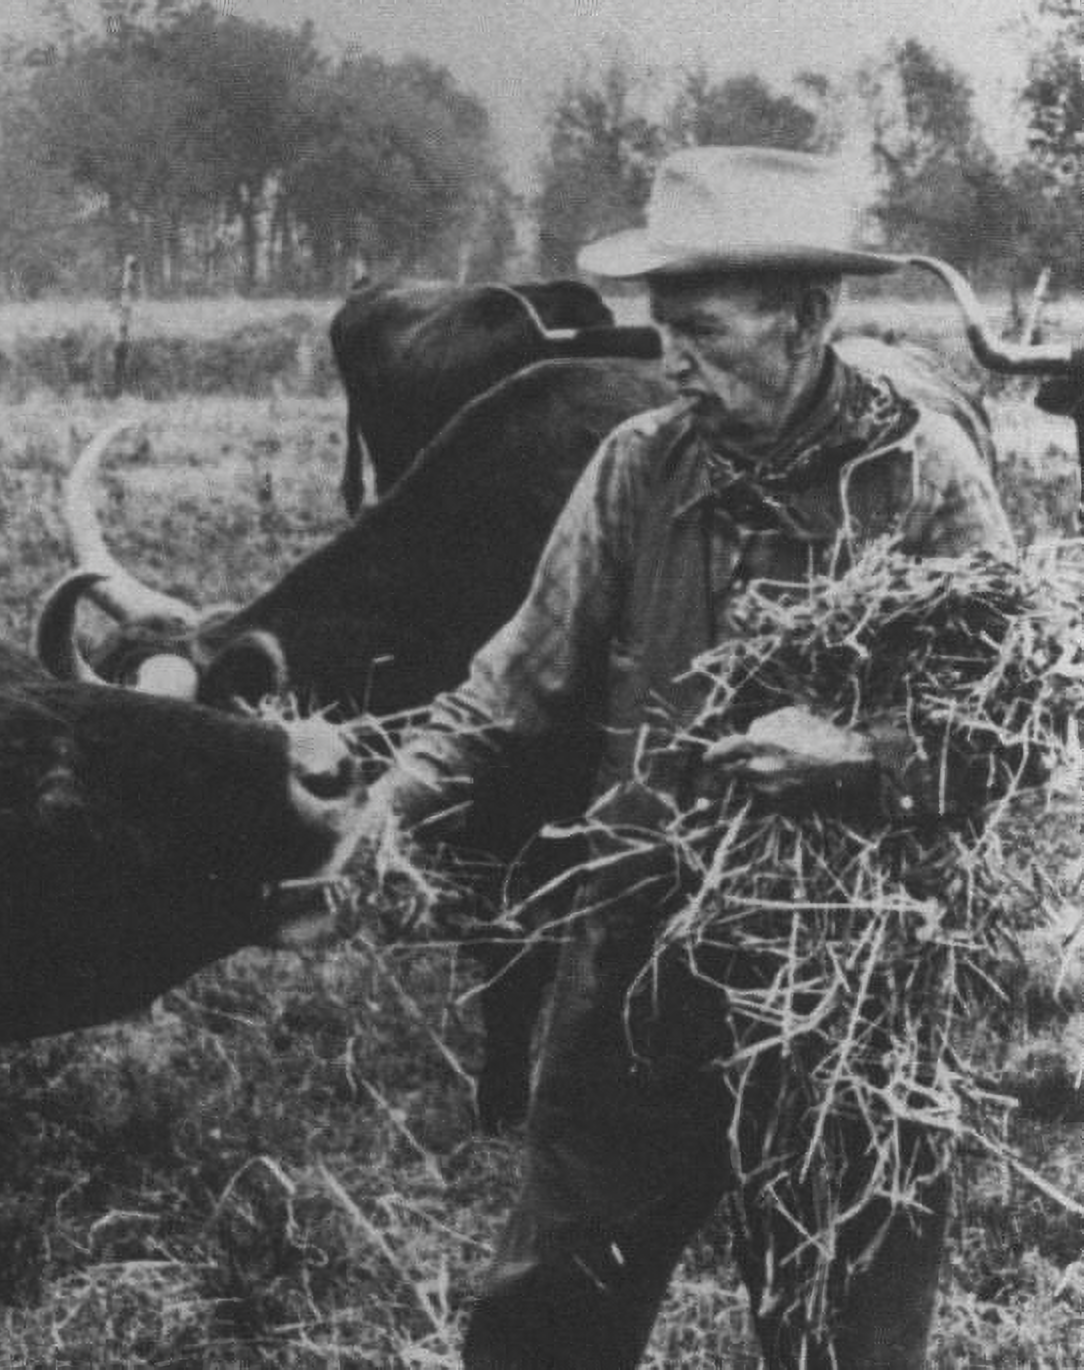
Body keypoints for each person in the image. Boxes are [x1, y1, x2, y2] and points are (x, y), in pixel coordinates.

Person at [372, 146, 1015, 1369]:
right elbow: (517, 678)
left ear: (805, 317)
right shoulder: (637, 466)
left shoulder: (918, 473)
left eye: (701, 330)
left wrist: (856, 755)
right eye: (662, 327)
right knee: (549, 1309)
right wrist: (392, 801)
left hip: (843, 985)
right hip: (638, 960)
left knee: (843, 1328)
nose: (669, 359)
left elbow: (1012, 723)